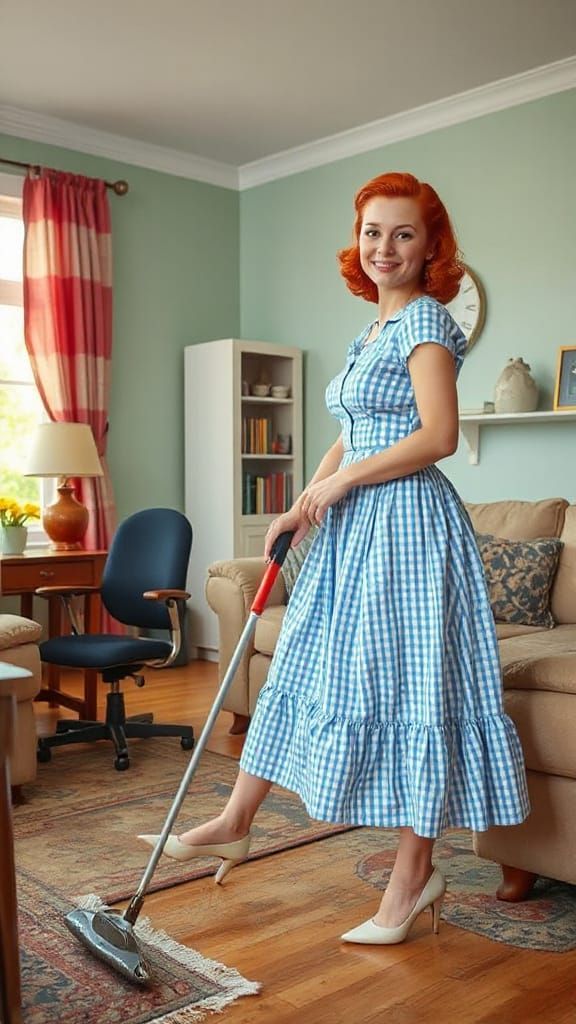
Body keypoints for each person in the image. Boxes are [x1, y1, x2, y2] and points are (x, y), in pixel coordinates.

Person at [140, 171, 530, 944]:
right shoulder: (371, 334)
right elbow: (354, 430)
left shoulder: (426, 325)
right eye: (373, 232)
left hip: (409, 531)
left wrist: (342, 484)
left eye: (403, 234)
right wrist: (301, 501)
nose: (384, 247)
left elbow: (438, 437)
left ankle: (413, 880)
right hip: (354, 527)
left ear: (430, 248)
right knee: (302, 665)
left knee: (419, 695)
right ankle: (235, 820)